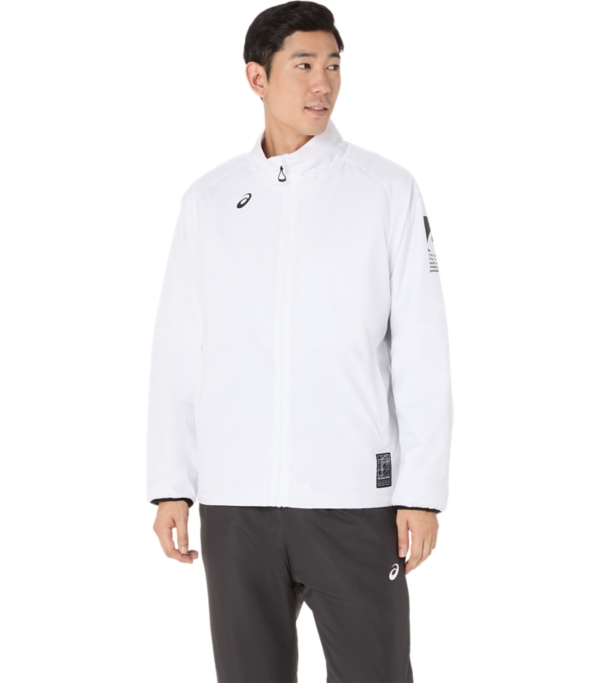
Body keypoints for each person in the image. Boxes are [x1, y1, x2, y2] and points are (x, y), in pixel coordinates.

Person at [145, 2, 453, 681]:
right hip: (236, 499)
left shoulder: (386, 190)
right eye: (304, 65)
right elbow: (178, 346)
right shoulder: (209, 200)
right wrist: (172, 483)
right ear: (257, 78)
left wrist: (422, 491)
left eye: (334, 65)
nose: (323, 83)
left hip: (354, 498)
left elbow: (422, 346)